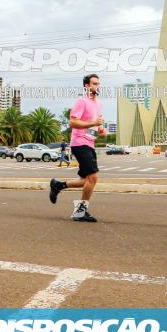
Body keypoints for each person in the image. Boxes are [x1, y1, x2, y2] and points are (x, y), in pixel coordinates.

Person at [49, 74, 105, 222]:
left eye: (98, 83)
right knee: (93, 177)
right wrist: (94, 123)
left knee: (86, 180)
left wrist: (100, 129)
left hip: (90, 143)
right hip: (79, 143)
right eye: (93, 83)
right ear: (86, 86)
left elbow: (94, 123)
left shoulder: (98, 104)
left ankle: (58, 185)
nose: (96, 86)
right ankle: (80, 212)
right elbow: (73, 123)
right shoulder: (82, 101)